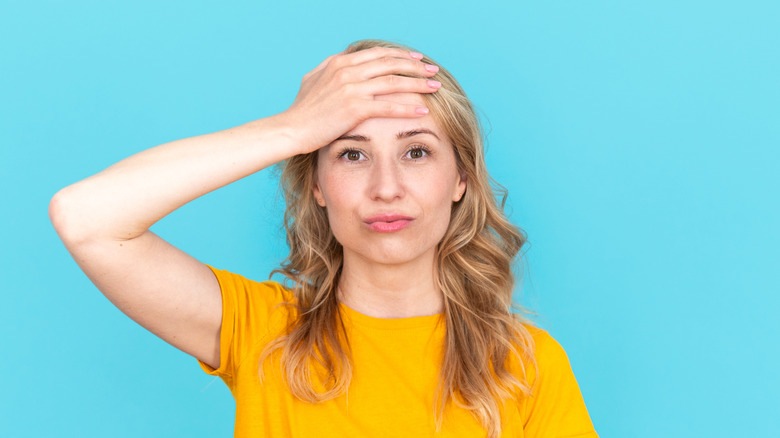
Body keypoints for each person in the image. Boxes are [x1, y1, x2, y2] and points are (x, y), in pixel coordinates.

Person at [49, 39, 598, 437]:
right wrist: (294, 128)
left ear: (460, 179)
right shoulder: (260, 330)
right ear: (317, 184)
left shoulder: (527, 365)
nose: (386, 188)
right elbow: (86, 218)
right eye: (352, 154)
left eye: (416, 152)